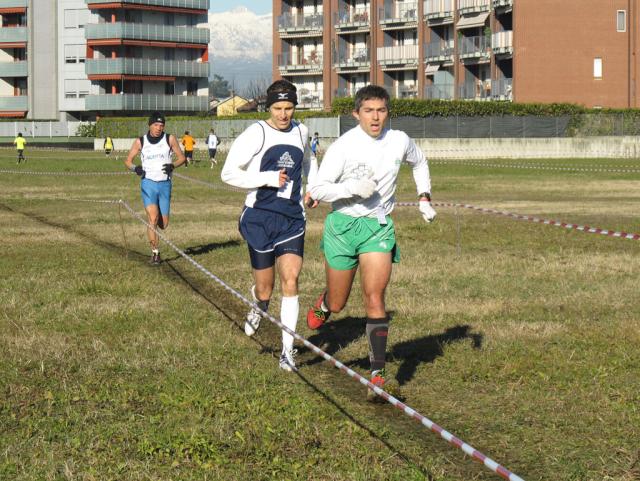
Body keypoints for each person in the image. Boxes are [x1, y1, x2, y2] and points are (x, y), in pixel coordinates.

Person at [306, 84, 437, 401]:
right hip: (342, 226)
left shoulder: (399, 140)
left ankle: (377, 374)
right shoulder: (344, 146)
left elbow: (419, 162)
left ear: (387, 112)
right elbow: (318, 190)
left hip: (378, 226)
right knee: (339, 302)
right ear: (356, 114)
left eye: (380, 110)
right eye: (368, 111)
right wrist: (351, 188)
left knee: (375, 296)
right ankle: (325, 304)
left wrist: (424, 196)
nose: (375, 117)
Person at [221, 79, 318, 372]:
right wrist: (266, 178)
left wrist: (312, 188)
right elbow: (228, 174)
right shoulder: (257, 133)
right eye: (278, 108)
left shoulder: (301, 132)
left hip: (291, 218)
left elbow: (309, 164)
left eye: (289, 108)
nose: (284, 114)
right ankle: (259, 305)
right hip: (259, 218)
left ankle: (288, 351)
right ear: (269, 106)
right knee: (266, 289)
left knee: (291, 279)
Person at [124, 112, 186, 265]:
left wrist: (173, 165)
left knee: (163, 224)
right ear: (150, 125)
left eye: (162, 125)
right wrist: (135, 168)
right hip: (148, 184)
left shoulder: (169, 139)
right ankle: (155, 253)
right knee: (152, 219)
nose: (159, 128)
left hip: (165, 184)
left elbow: (182, 158)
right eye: (156, 125)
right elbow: (127, 161)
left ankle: (159, 216)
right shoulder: (140, 142)